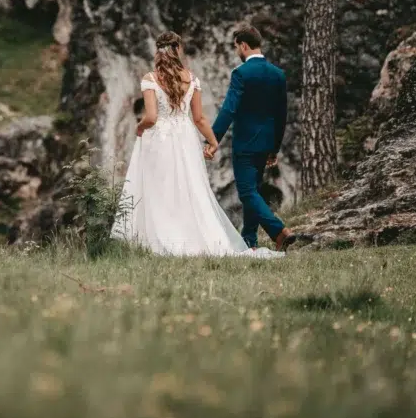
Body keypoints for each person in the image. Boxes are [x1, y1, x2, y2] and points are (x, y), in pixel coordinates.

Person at [111, 31, 284, 258]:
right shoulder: (192, 79)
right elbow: (199, 119)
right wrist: (212, 142)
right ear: (178, 50)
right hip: (185, 139)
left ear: (158, 52)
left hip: (159, 139)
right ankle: (192, 235)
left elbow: (151, 117)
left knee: (158, 188)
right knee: (189, 187)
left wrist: (140, 127)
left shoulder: (150, 79)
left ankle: (159, 237)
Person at [210, 23, 301, 252]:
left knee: (247, 192)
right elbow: (282, 115)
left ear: (243, 45)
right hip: (265, 144)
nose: (237, 52)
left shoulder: (241, 73)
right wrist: (274, 149)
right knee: (254, 190)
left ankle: (278, 231)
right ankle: (250, 241)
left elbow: (229, 109)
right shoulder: (277, 74)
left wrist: (212, 139)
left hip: (245, 144)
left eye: (236, 47)